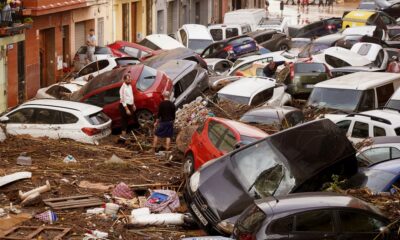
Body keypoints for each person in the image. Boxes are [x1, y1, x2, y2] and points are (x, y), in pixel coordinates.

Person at [119, 73, 136, 140]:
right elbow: (122, 100)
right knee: (124, 120)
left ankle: (128, 133)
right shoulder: (122, 88)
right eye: (128, 79)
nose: (130, 80)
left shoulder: (130, 86)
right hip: (124, 106)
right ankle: (123, 135)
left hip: (130, 105)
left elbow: (131, 96)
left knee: (131, 118)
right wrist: (126, 109)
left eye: (130, 79)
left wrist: (133, 105)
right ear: (125, 80)